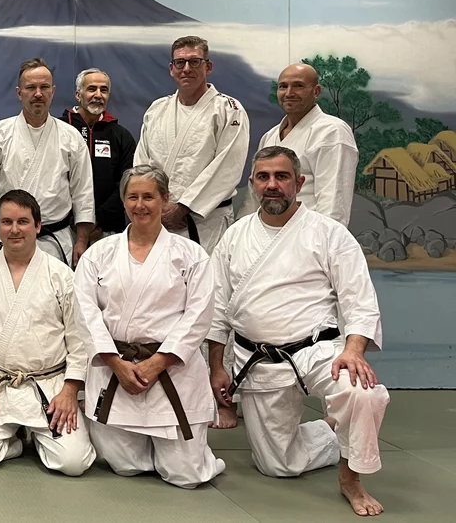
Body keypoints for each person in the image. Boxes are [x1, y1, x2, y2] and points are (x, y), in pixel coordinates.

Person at [208, 146, 388, 517]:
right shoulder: (235, 237)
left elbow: (358, 299)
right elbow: (217, 309)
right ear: (252, 184)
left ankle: (351, 478)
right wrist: (216, 367)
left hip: (318, 351)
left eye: (282, 176)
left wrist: (354, 350)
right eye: (263, 177)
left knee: (363, 393)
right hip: (257, 359)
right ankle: (329, 430)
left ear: (299, 183)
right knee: (280, 465)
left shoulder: (329, 234)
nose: (272, 185)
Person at [74, 164, 225, 488]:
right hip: (117, 369)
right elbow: (85, 313)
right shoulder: (99, 254)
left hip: (171, 369)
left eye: (148, 197)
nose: (140, 205)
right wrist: (115, 363)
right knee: (125, 465)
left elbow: (199, 315)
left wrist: (158, 362)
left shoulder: (191, 255)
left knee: (186, 475)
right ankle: (156, 453)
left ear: (165, 199)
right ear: (123, 200)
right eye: (133, 197)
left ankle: (186, 456)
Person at [0, 190, 95, 475]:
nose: (14, 229)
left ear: (38, 226)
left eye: (23, 221)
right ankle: (15, 442)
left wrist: (70, 391)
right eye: (6, 222)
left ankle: (39, 438)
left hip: (50, 387)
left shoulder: (61, 275)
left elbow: (80, 339)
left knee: (73, 463)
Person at [133, 36, 249, 254]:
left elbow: (227, 168)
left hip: (205, 222)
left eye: (194, 61)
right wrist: (150, 202)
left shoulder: (228, 109)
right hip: (158, 219)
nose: (186, 68)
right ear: (172, 69)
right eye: (180, 62)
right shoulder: (157, 109)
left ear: (208, 66)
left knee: (206, 274)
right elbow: (142, 164)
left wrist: (184, 206)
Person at [0, 58, 95, 266]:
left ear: (53, 91)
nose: (38, 93)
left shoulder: (71, 136)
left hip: (55, 239)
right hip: (10, 236)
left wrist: (82, 240)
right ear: (19, 92)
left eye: (44, 87)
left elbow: (83, 193)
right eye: (31, 87)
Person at [245, 63, 357, 227]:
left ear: (316, 91)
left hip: (308, 232)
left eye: (298, 86)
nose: (289, 93)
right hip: (268, 231)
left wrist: (324, 238)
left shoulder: (332, 132)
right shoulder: (270, 136)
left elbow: (334, 200)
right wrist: (247, 230)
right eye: (283, 86)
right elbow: (254, 195)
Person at [60, 68, 137, 238]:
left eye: (104, 90)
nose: (98, 95)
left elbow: (126, 183)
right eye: (91, 89)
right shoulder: (59, 129)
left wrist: (98, 221)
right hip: (64, 228)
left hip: (106, 229)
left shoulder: (121, 136)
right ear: (78, 95)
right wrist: (77, 222)